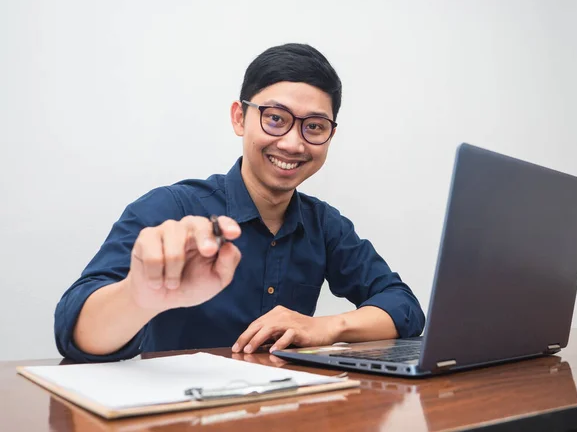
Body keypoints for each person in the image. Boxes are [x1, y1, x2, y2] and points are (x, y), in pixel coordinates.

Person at [54, 43, 426, 362]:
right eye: (276, 119)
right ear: (239, 118)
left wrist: (326, 327)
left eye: (314, 126)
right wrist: (138, 296)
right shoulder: (171, 208)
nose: (294, 144)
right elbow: (73, 331)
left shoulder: (325, 225)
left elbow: (404, 307)